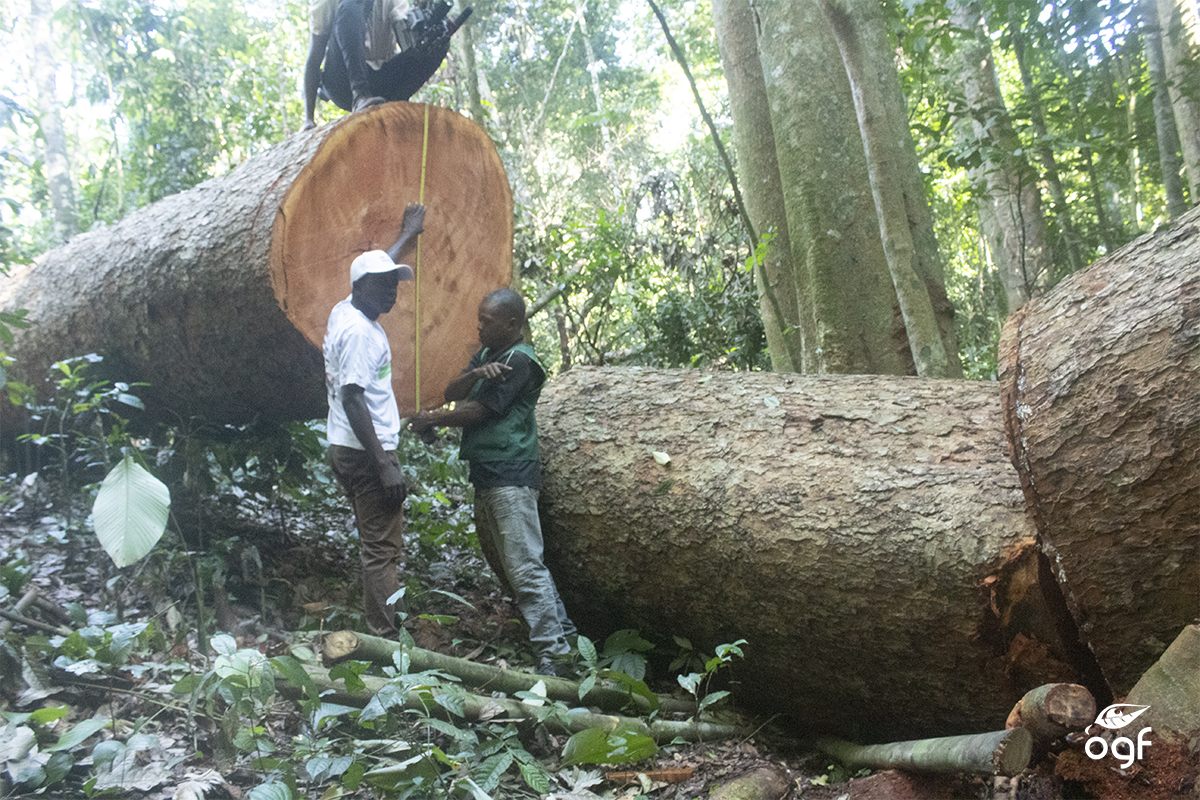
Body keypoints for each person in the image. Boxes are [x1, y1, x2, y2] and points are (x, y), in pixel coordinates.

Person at [409, 289, 577, 676]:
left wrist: (433, 419)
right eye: (479, 317)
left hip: (510, 472)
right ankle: (564, 642)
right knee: (524, 565)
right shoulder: (490, 356)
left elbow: (481, 411)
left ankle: (554, 657)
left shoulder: (520, 361)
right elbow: (454, 391)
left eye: (487, 320)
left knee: (525, 568)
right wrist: (474, 372)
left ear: (512, 324)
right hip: (491, 471)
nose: (479, 325)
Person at [324, 202, 424, 638]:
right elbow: (352, 397)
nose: (392, 294)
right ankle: (385, 641)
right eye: (384, 287)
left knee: (374, 543)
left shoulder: (346, 308)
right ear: (363, 287)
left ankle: (382, 621)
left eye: (395, 286)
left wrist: (407, 235)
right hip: (366, 452)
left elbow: (374, 269)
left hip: (345, 447)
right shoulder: (361, 333)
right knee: (382, 549)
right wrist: (384, 461)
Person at [302, 0, 469, 130]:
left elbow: (407, 42)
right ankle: (360, 96)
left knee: (438, 40)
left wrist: (428, 35)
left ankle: (396, 105)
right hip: (342, 84)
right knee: (349, 6)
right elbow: (314, 58)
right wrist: (309, 119)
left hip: (381, 80)